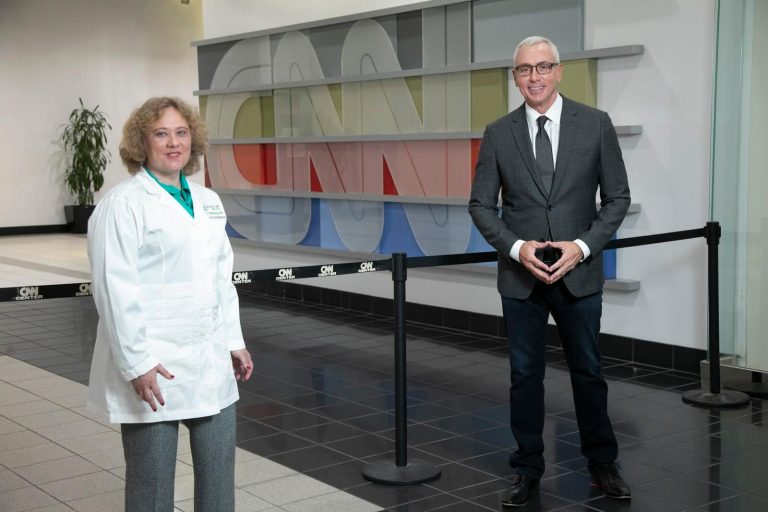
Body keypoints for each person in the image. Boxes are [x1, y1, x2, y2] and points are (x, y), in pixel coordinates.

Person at [469, 36, 631, 507]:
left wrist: (581, 247)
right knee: (524, 376)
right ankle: (527, 468)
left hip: (578, 273)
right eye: (525, 70)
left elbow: (617, 198)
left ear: (559, 71)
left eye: (543, 67)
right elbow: (480, 205)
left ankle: (602, 463)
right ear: (515, 77)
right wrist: (516, 248)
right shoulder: (498, 133)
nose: (534, 77)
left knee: (589, 372)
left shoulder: (595, 124)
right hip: (521, 278)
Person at [86, 96, 253, 511]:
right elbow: (113, 288)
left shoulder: (208, 201)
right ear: (142, 142)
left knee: (219, 477)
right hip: (154, 364)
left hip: (209, 359)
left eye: (181, 132)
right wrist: (136, 363)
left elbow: (221, 278)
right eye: (161, 133)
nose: (174, 142)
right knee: (152, 484)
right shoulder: (122, 205)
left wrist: (234, 340)